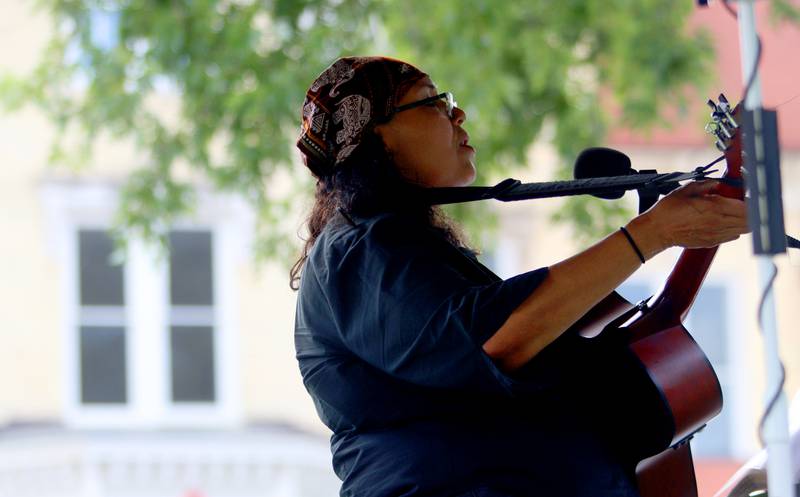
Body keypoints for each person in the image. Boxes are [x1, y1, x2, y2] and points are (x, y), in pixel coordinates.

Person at [291, 56, 750, 497]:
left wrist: (693, 226)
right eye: (433, 103)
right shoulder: (360, 249)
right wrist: (651, 234)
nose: (459, 113)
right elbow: (495, 340)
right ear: (378, 138)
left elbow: (646, 332)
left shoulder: (397, 244)